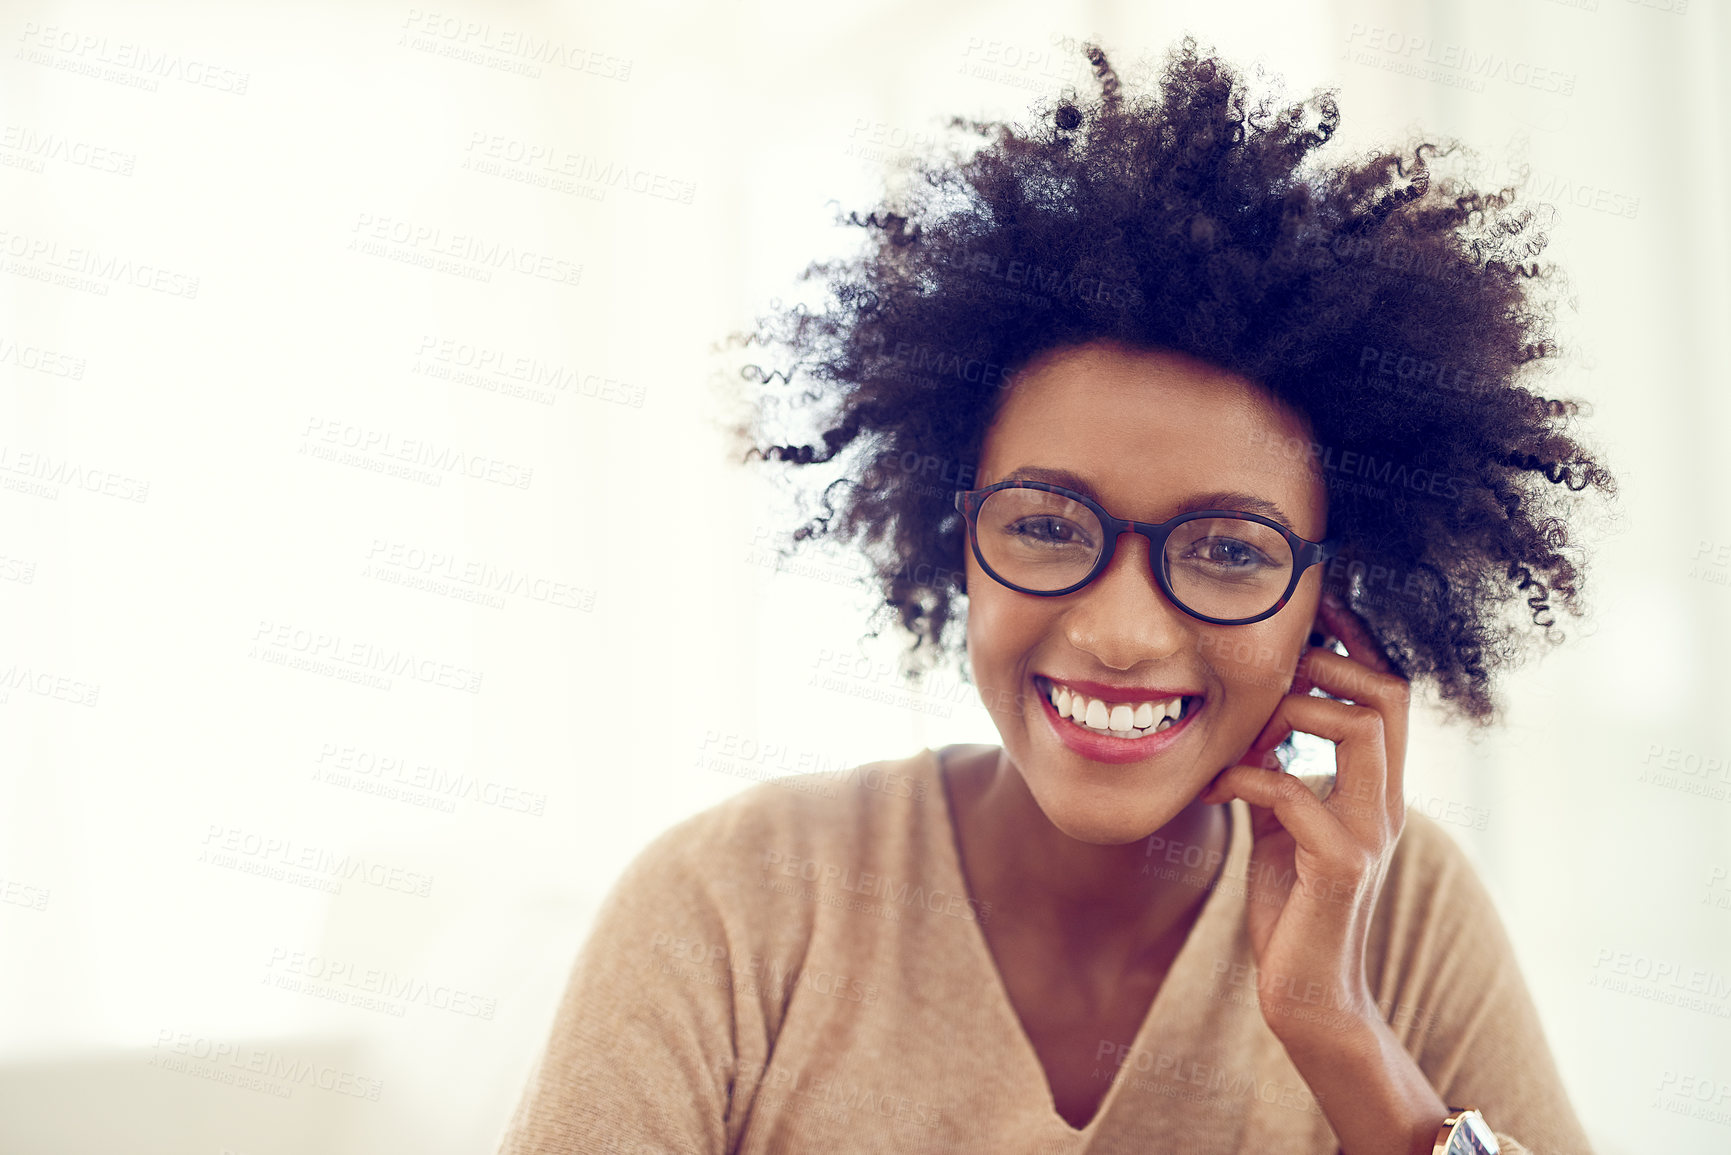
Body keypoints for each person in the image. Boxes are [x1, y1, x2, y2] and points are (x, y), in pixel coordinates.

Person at [495, 38, 1613, 1155]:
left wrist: (1343, 1037)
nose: (1120, 632)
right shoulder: (733, 906)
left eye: (1229, 549)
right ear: (956, 534)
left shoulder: (1401, 914)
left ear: (1333, 602)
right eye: (1042, 526)